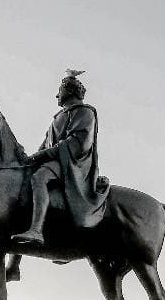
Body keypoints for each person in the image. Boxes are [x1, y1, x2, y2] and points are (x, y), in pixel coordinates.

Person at [11, 68, 109, 248]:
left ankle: (37, 230)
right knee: (23, 179)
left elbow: (77, 143)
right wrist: (28, 159)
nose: (56, 96)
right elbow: (46, 144)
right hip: (55, 161)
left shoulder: (85, 113)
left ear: (70, 90)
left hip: (72, 164)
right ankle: (15, 261)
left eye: (60, 91)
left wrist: (41, 155)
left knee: (38, 178)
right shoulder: (58, 117)